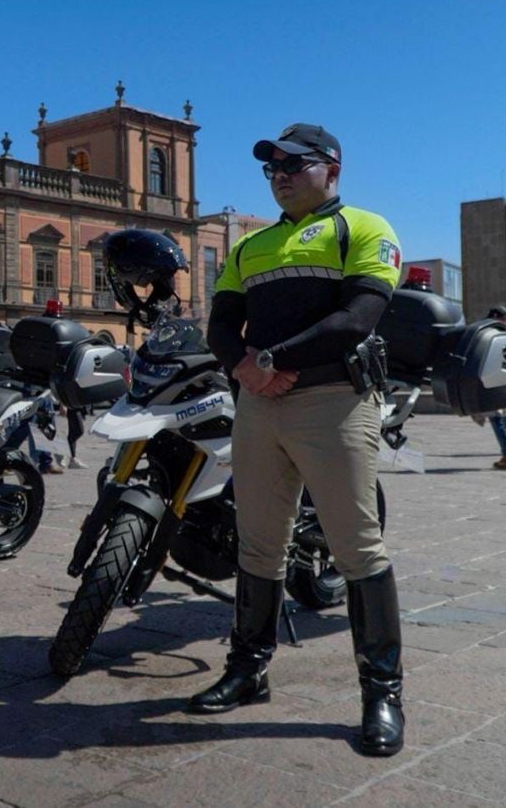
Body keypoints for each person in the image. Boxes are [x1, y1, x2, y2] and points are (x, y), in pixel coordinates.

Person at [190, 123, 406, 757]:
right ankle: (247, 668)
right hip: (259, 405)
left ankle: (382, 692)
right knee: (258, 541)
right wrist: (245, 366)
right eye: (272, 167)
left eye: (294, 164)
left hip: (334, 401)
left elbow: (358, 318)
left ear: (331, 170)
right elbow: (221, 323)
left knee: (357, 548)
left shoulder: (364, 227)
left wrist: (269, 357)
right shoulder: (250, 246)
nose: (280, 174)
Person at [472, 305, 506, 469]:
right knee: (498, 418)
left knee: (496, 418)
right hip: (496, 380)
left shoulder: (490, 335)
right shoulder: (492, 335)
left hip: (497, 381)